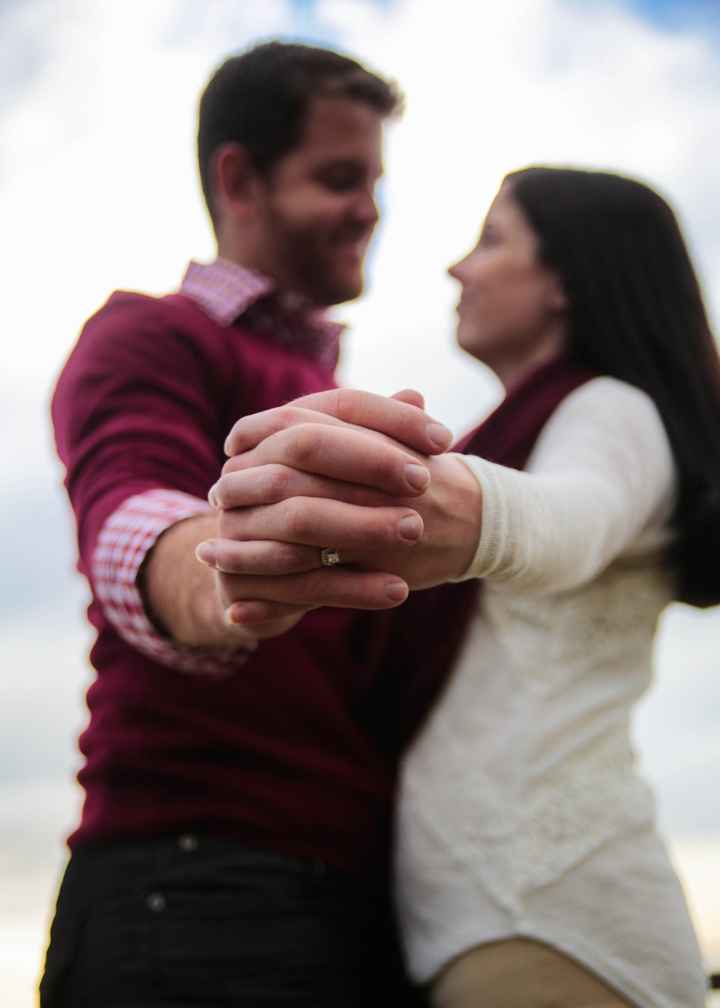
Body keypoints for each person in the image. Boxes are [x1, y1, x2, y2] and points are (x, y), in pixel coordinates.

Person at [202, 167, 720, 1007]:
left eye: (492, 240)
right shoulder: (527, 427)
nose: (459, 269)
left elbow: (568, 522)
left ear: (563, 279)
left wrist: (454, 508)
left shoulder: (611, 409)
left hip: (550, 919)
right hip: (491, 917)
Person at [42, 40, 451, 1007]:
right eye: (340, 179)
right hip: (192, 888)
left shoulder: (332, 400)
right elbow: (132, 518)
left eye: (375, 182)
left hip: (354, 894)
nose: (371, 210)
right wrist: (224, 573)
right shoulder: (152, 335)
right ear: (240, 179)